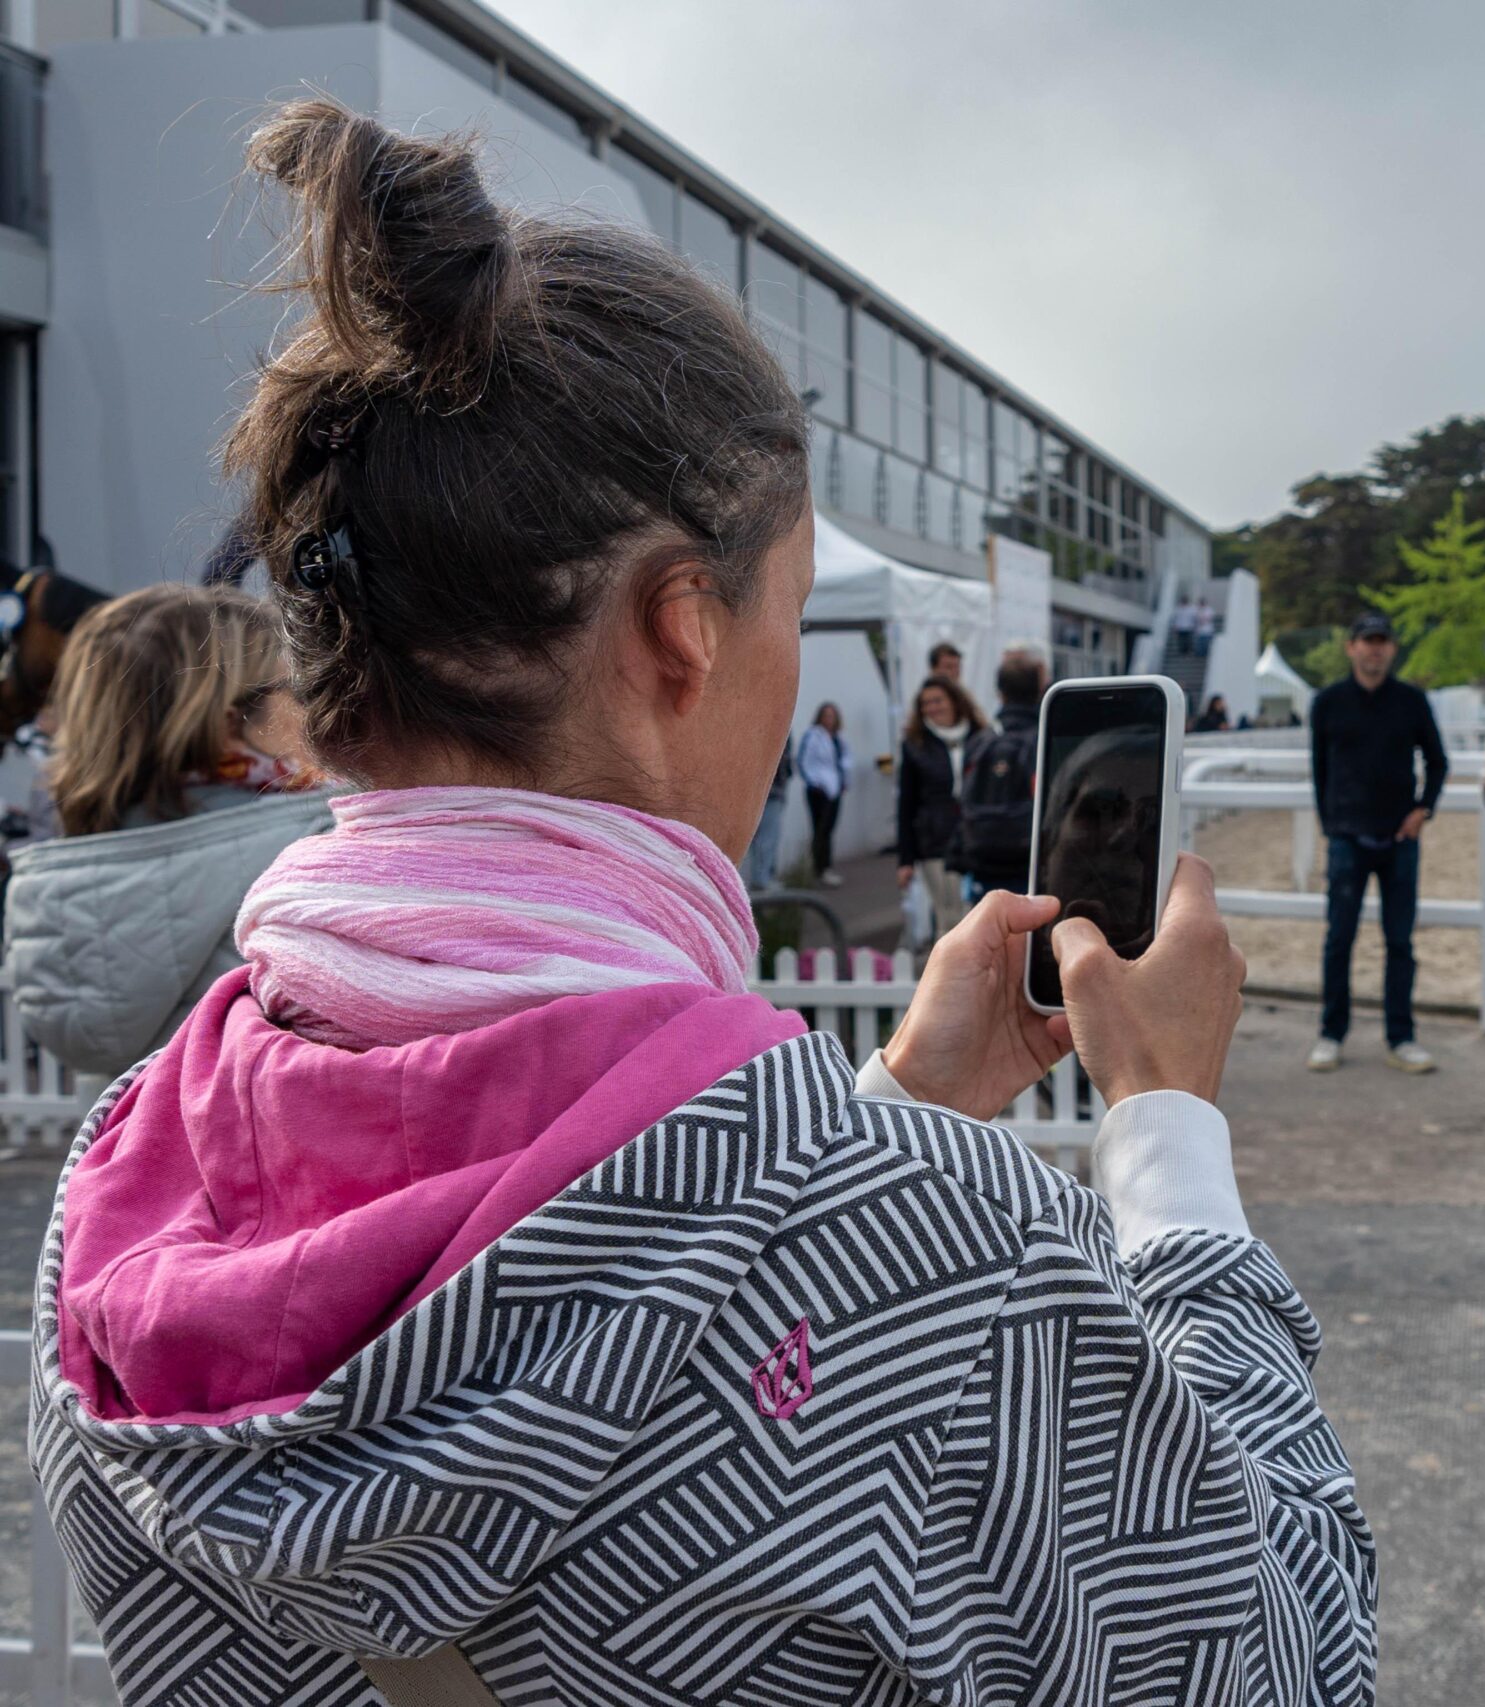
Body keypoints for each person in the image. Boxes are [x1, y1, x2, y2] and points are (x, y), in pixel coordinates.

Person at [31, 100, 1374, 1707]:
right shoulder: (953, 1264)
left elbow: (614, 1263)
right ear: (683, 631)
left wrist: (897, 1102)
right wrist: (1166, 1130)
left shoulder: (127, 1192)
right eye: (789, 609)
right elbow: (1284, 1641)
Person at [2, 584, 333, 1099]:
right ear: (229, 727)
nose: (318, 708)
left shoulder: (65, 884)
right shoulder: (315, 856)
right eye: (298, 689)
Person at [1307, 610, 1446, 1073]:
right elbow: (1319, 771)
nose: (1374, 648)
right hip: (1347, 838)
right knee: (1339, 939)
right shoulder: (1327, 703)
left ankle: (1401, 1037)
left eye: (1382, 640)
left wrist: (1422, 808)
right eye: (1366, 640)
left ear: (1392, 648)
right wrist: (1331, 826)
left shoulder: (1411, 701)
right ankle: (1331, 1033)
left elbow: (1438, 761)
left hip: (1400, 840)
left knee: (1400, 942)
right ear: (1351, 647)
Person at [895, 674, 987, 944]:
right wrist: (905, 860)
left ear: (954, 701)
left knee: (978, 914)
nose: (932, 708)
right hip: (936, 841)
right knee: (949, 916)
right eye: (925, 704)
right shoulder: (915, 746)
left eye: (937, 700)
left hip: (978, 839)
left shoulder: (981, 737)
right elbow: (906, 805)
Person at [957, 643, 1045, 899]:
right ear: (1039, 690)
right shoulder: (1044, 738)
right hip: (1030, 860)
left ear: (1000, 693)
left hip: (984, 859)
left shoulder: (979, 741)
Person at [796, 699, 848, 886]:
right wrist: (814, 783)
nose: (829, 719)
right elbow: (803, 761)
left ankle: (825, 867)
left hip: (834, 789)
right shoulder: (813, 735)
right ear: (820, 717)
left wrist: (843, 781)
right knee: (820, 830)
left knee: (828, 830)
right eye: (826, 715)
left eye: (832, 716)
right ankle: (820, 869)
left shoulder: (837, 738)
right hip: (819, 791)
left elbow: (842, 761)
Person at [743, 746, 791, 889]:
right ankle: (761, 881)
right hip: (767, 793)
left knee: (766, 838)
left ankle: (761, 879)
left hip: (769, 792)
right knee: (766, 838)